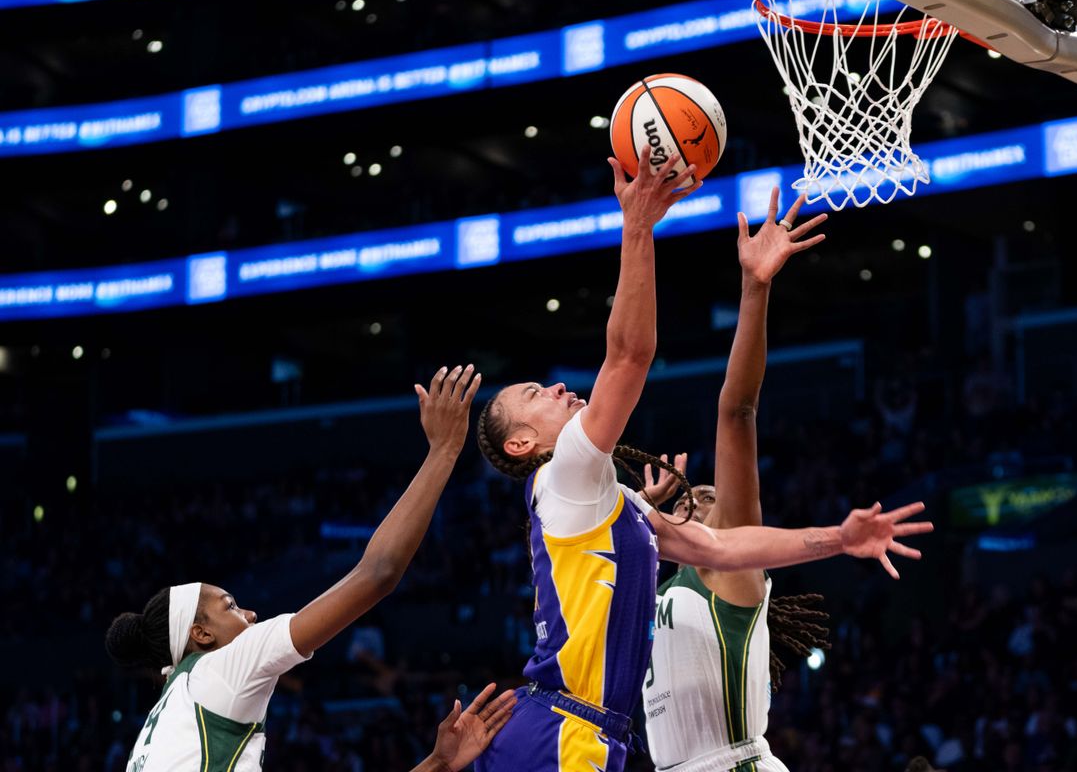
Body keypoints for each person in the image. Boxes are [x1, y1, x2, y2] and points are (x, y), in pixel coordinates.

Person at [475, 148, 933, 772]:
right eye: (535, 393)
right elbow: (630, 358)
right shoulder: (563, 472)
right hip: (564, 728)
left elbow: (723, 544)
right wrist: (637, 227)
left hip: (600, 733)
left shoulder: (614, 509)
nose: (555, 387)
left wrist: (839, 538)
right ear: (521, 445)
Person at [105, 366, 514, 772]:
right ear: (201, 634)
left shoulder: (162, 725)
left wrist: (438, 764)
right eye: (229, 606)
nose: (249, 614)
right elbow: (378, 572)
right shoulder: (223, 665)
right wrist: (443, 450)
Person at [641, 187, 833, 772]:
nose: (697, 496)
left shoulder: (734, 574)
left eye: (711, 498)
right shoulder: (659, 593)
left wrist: (755, 288)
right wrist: (646, 525)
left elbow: (737, 411)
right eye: (693, 493)